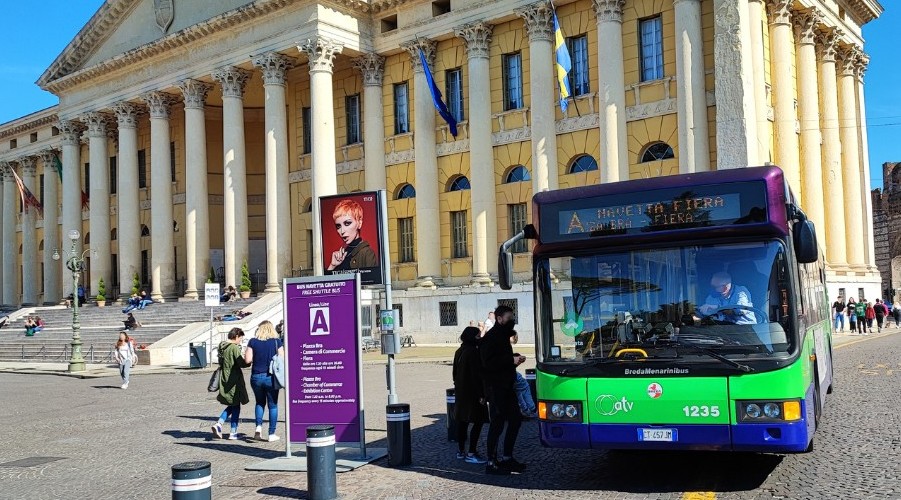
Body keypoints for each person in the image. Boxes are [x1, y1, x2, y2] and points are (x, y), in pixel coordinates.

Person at [479, 305, 526, 475]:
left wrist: (515, 358)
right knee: (497, 423)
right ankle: (491, 462)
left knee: (516, 419)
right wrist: (510, 360)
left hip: (507, 386)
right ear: (499, 319)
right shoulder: (490, 337)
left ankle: (507, 457)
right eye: (509, 317)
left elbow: (502, 358)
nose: (511, 320)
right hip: (495, 387)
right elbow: (488, 363)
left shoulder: (503, 336)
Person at [452, 326, 489, 464]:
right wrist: (482, 394)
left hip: (461, 393)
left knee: (462, 422)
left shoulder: (459, 351)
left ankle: (461, 451)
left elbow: (455, 373)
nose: (480, 338)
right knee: (478, 422)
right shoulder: (473, 352)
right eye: (478, 336)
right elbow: (476, 375)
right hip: (473, 394)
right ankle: (471, 452)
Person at [244, 321, 284, 442]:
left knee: (259, 403)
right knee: (273, 405)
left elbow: (247, 360)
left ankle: (258, 427)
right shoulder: (277, 342)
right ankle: (271, 433)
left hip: (256, 376)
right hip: (271, 377)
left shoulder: (253, 342)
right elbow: (282, 358)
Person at [212, 328, 249, 440]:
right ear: (237, 336)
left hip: (224, 378)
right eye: (241, 338)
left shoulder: (222, 346)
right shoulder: (233, 348)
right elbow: (242, 363)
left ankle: (220, 424)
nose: (241, 340)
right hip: (234, 379)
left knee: (232, 404)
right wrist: (249, 360)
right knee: (236, 405)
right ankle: (232, 431)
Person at [326, 199, 378, 272]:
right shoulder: (342, 254)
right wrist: (332, 265)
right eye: (338, 226)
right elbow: (327, 283)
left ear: (359, 223)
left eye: (347, 223)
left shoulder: (366, 253)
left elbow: (371, 281)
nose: (342, 231)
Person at [510, 332, 536, 418]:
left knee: (521, 398)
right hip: (517, 382)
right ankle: (529, 410)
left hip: (515, 383)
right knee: (524, 397)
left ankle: (527, 411)